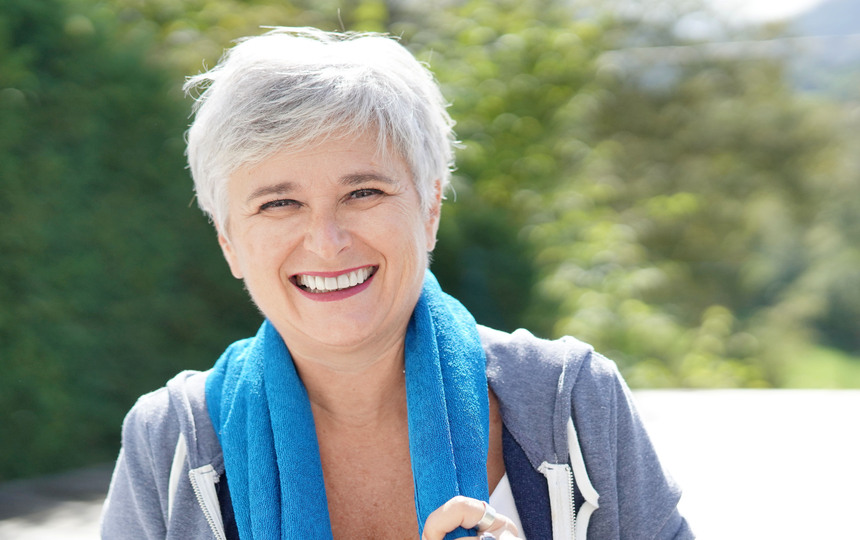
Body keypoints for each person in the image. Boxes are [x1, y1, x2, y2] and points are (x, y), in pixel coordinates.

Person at [100, 27, 693, 540]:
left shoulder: (571, 401)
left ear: (430, 209)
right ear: (229, 241)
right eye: (279, 203)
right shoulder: (172, 440)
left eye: (363, 192)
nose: (326, 241)